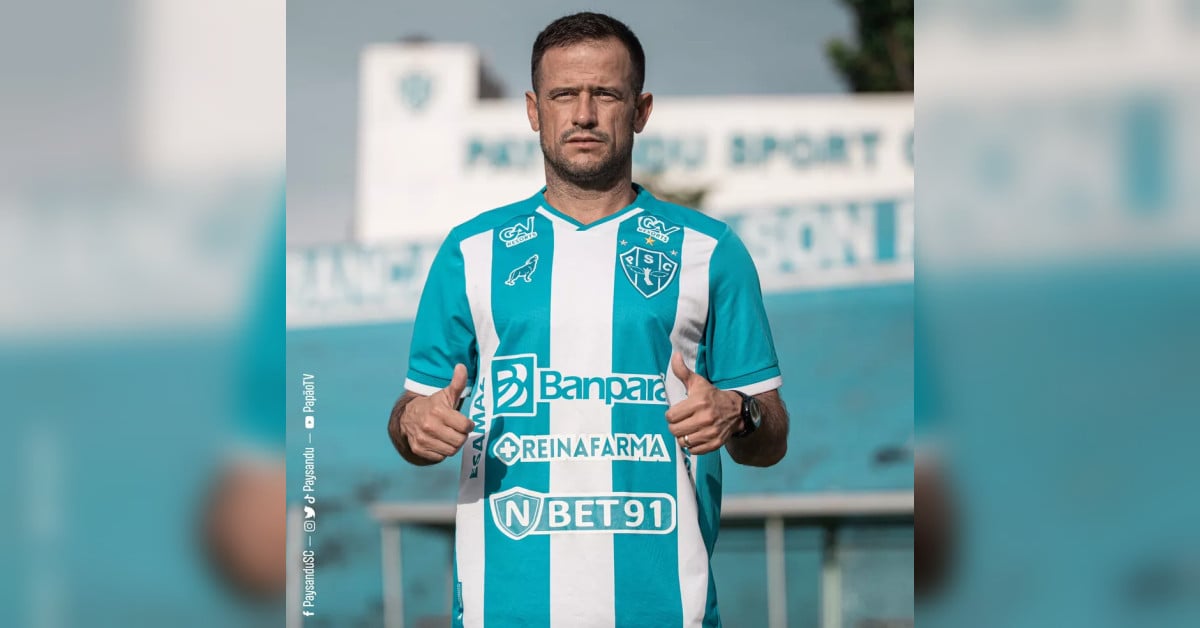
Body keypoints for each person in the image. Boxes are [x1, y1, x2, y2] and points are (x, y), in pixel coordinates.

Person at [387, 12, 789, 627]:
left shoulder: (710, 250)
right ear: (533, 110)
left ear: (641, 110)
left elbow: (771, 439)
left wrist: (740, 413)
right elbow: (412, 418)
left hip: (666, 611)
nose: (583, 114)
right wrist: (414, 424)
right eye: (562, 95)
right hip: (504, 612)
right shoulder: (471, 252)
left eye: (605, 94)